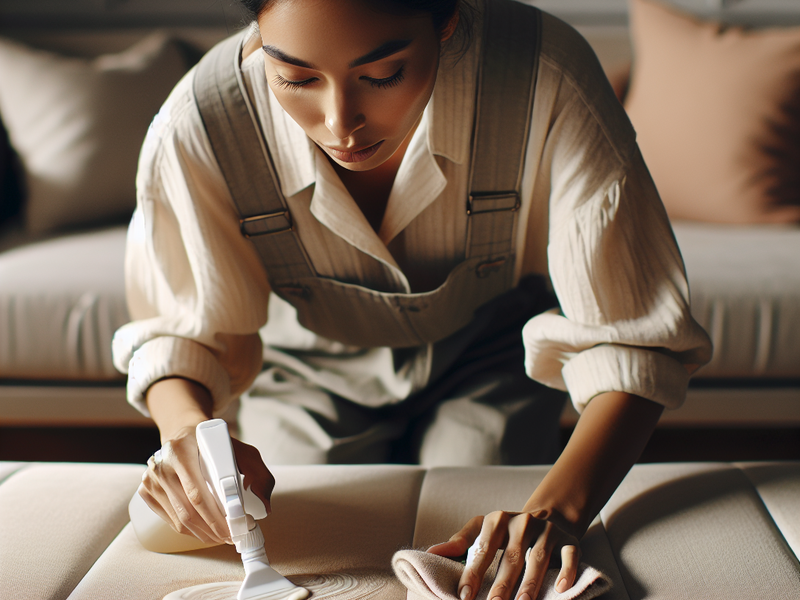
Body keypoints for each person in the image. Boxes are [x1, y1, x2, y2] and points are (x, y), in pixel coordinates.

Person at [112, 0, 712, 598]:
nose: (340, 124)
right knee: (320, 531)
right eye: (294, 78)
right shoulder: (204, 120)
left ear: (446, 21)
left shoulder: (544, 77)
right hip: (305, 373)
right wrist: (189, 433)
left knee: (482, 551)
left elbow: (631, 336)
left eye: (382, 75)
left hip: (488, 360)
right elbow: (180, 335)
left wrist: (559, 512)